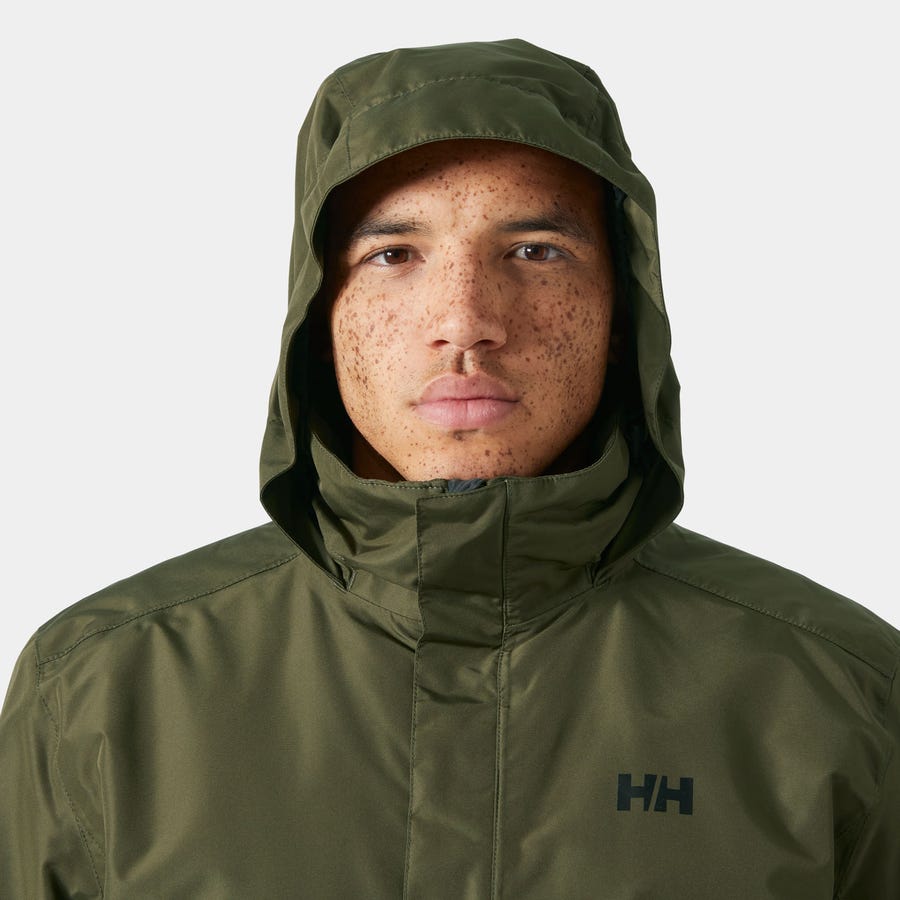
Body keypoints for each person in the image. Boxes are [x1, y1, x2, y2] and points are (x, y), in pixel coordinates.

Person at [1, 37, 897, 898]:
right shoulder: (99, 695)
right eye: (393, 255)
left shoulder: (836, 695)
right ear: (320, 312)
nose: (465, 320)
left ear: (623, 309)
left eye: (536, 251)